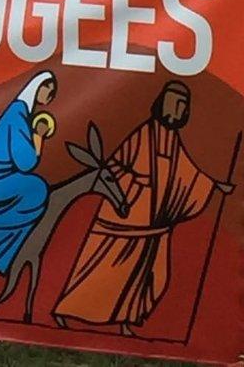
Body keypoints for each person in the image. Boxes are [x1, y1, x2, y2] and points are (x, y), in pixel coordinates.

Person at [53, 81, 233, 336]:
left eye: (182, 107)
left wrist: (213, 185)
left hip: (155, 225)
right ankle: (65, 312)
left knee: (154, 277)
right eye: (173, 105)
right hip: (125, 219)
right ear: (162, 105)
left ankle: (128, 320)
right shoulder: (142, 135)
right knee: (100, 271)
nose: (176, 111)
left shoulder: (172, 139)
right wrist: (135, 183)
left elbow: (186, 171)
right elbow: (114, 166)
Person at [0, 70, 57, 274]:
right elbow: (26, 163)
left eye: (52, 92)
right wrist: (39, 136)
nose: (49, 95)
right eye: (47, 89)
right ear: (37, 87)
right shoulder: (17, 115)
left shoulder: (20, 113)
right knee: (37, 188)